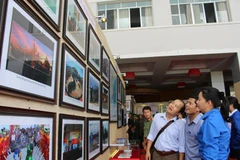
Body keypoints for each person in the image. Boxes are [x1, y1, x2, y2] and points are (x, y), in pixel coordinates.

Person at [196, 87, 230, 160]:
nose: (197, 102)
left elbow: (211, 148)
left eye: (199, 99)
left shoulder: (211, 120)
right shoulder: (218, 115)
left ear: (209, 103)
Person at [185, 91, 203, 160]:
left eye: (190, 103)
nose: (187, 105)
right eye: (187, 102)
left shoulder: (202, 123)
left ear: (198, 108)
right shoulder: (187, 119)